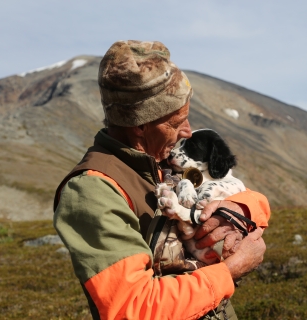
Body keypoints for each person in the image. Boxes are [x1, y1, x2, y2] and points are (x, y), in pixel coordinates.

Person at [53, 40, 271, 320]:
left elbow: (250, 195)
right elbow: (132, 308)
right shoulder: (93, 190)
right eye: (176, 122)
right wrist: (230, 271)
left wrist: (242, 209)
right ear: (141, 124)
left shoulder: (162, 161)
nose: (188, 133)